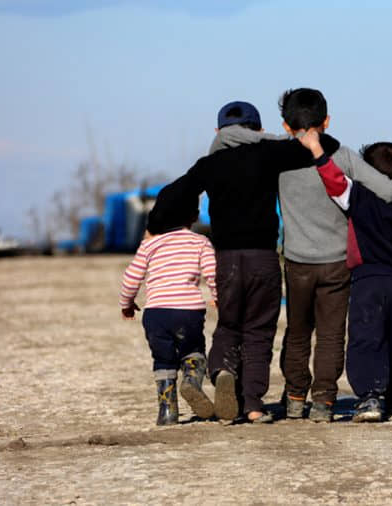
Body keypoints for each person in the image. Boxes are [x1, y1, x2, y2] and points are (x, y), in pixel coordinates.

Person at [147, 101, 340, 424]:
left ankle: (222, 369)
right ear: (259, 130)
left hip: (226, 260)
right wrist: (280, 139)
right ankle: (252, 404)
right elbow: (324, 145)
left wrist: (153, 228)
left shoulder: (210, 163)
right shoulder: (270, 153)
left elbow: (173, 193)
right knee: (259, 332)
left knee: (229, 324)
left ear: (218, 132)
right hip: (262, 258)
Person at [276, 88, 392, 422]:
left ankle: (294, 397)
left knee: (297, 331)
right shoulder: (344, 156)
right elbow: (390, 190)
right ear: (327, 121)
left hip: (296, 262)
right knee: (332, 335)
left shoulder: (277, 159)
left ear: (285, 125)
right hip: (337, 262)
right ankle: (323, 401)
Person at [298, 133, 392, 422]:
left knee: (366, 337)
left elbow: (334, 180)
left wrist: (317, 151)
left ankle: (371, 398)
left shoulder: (358, 196)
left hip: (366, 280)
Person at [119, 184, 217, 426]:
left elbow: (131, 278)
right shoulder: (200, 242)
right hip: (188, 313)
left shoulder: (149, 245)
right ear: (194, 216)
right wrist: (218, 296)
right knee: (193, 350)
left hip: (156, 315)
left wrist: (127, 304)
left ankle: (167, 412)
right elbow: (214, 274)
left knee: (162, 359)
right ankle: (191, 383)